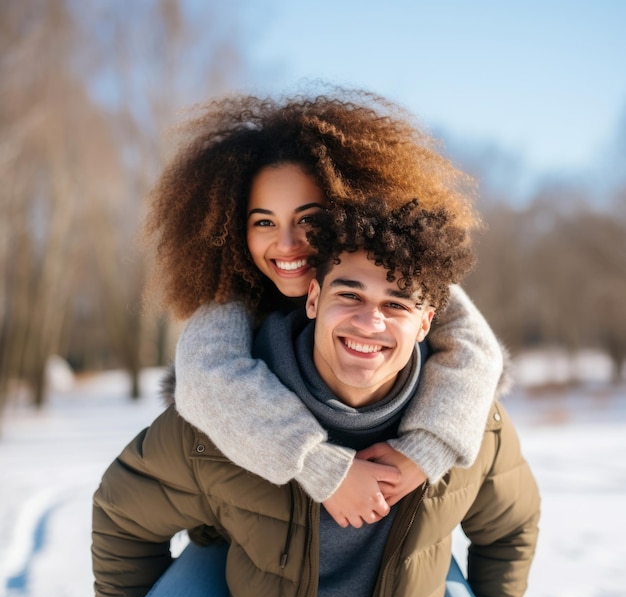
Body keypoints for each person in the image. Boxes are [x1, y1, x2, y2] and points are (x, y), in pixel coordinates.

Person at [92, 197, 540, 597]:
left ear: (426, 322)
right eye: (349, 295)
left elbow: (512, 527)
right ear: (312, 298)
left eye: (397, 304)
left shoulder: (466, 422)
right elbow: (122, 515)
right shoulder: (222, 417)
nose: (370, 323)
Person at [143, 89, 505, 527]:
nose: (287, 243)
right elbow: (207, 376)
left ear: (346, 209)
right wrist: (320, 466)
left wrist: (424, 451)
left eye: (309, 218)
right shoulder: (234, 295)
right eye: (264, 222)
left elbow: (475, 348)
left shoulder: (396, 276)